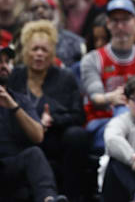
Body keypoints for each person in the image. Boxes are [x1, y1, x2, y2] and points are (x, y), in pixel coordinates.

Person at [8, 20, 88, 200]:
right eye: (35, 49)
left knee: (77, 136)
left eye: (44, 50)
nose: (39, 54)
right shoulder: (15, 76)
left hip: (55, 137)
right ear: (26, 51)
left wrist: (53, 120)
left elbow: (78, 115)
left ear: (52, 53)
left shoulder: (65, 78)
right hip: (22, 137)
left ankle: (71, 196)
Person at [80, 0, 135, 150]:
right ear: (108, 24)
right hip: (101, 121)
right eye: (115, 21)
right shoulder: (92, 59)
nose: (120, 26)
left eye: (126, 20)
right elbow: (95, 96)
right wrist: (111, 98)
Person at [0, 44, 69, 202]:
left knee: (34, 153)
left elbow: (38, 136)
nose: (3, 65)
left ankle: (48, 199)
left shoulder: (19, 100)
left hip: (12, 166)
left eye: (6, 61)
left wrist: (13, 106)